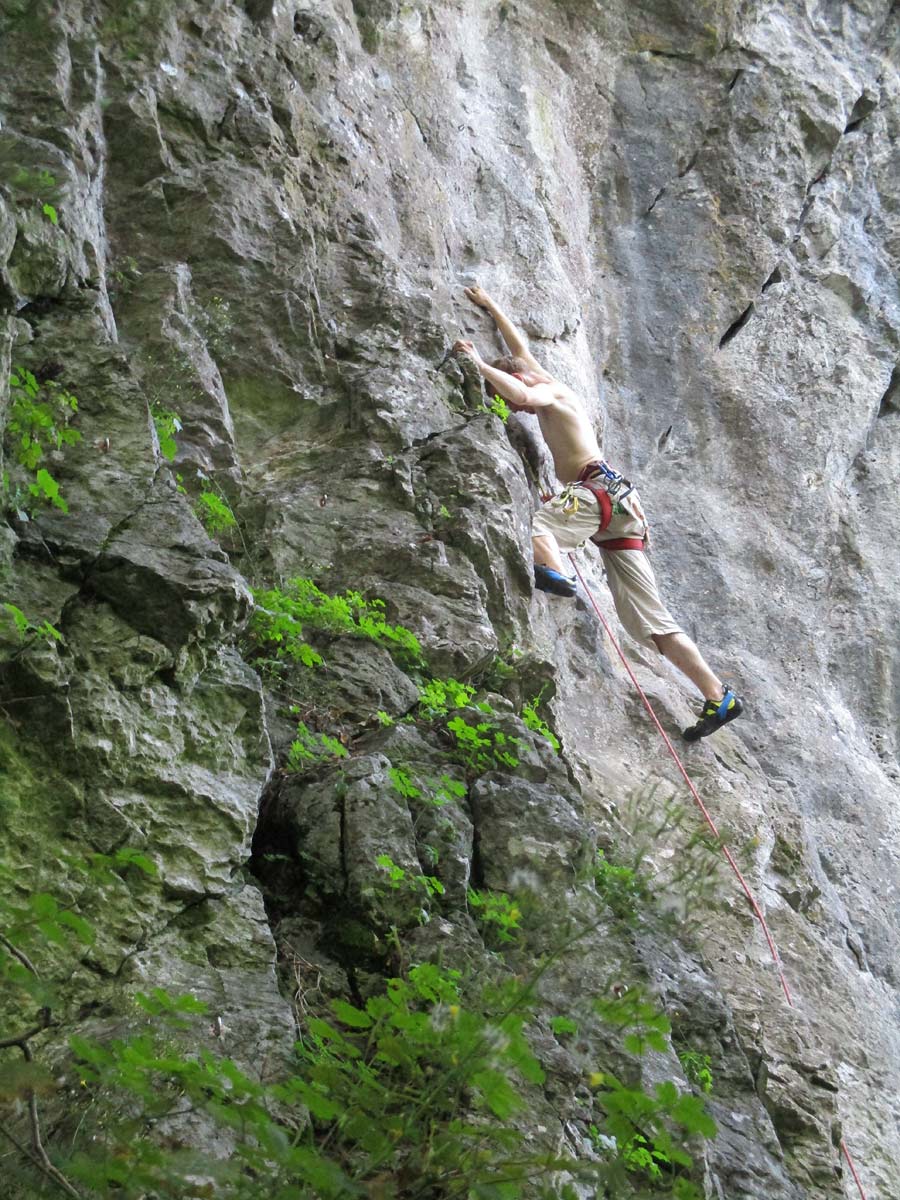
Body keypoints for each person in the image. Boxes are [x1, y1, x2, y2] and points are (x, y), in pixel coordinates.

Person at [453, 284, 743, 742]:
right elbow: (520, 348)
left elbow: (525, 394)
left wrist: (478, 364)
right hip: (620, 506)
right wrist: (491, 307)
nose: (509, 406)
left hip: (596, 493)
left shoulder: (545, 389)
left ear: (523, 379)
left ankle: (554, 574)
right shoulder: (540, 377)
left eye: (505, 394)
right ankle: (718, 694)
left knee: (535, 525)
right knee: (646, 622)